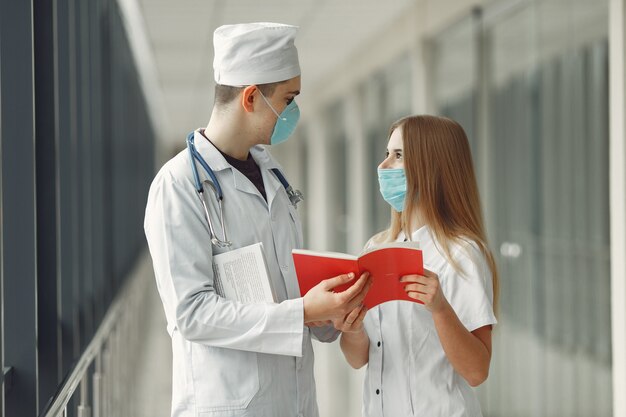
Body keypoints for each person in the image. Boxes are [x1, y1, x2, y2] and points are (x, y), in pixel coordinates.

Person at [144, 22, 370, 417]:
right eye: (288, 98)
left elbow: (285, 284)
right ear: (251, 97)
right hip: (228, 404)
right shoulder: (178, 185)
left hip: (293, 401)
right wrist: (303, 312)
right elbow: (191, 314)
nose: (293, 111)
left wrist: (330, 311)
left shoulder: (271, 175)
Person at [334, 115, 499, 417]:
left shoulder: (461, 254)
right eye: (386, 154)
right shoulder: (376, 248)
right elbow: (359, 359)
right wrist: (352, 329)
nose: (383, 167)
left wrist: (440, 309)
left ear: (432, 167)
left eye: (398, 156)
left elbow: (477, 372)